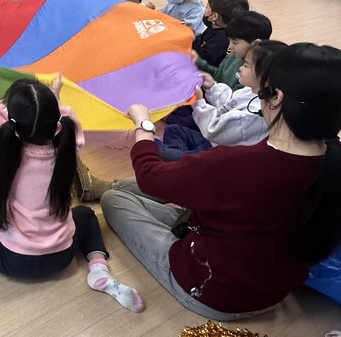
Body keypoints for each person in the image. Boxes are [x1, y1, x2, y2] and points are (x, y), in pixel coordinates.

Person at [101, 42, 341, 320]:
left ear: (275, 97)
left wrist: (143, 127)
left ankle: (106, 189)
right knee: (146, 189)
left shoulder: (237, 164)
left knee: (114, 199)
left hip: (212, 291)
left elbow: (149, 177)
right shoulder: (331, 163)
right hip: (274, 291)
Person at [0, 65, 143, 312]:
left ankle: (96, 269)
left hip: (16, 261)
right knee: (87, 215)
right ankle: (98, 267)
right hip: (63, 256)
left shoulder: (1, 154)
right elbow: (70, 127)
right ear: (55, 122)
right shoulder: (66, 151)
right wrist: (56, 98)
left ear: (12, 124)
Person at [157, 40, 288, 160]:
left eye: (246, 65)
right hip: (214, 141)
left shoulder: (255, 114)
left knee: (162, 149)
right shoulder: (251, 91)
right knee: (173, 130)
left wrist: (198, 102)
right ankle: (179, 159)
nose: (241, 68)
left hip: (222, 152)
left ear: (264, 77)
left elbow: (213, 130)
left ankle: (176, 159)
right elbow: (229, 103)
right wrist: (212, 87)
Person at [196, 11, 272, 90]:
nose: (230, 47)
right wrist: (198, 61)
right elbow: (218, 74)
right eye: (229, 41)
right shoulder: (234, 55)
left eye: (235, 43)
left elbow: (235, 96)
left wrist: (213, 87)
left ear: (256, 44)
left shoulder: (254, 73)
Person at [193, 0, 249, 66]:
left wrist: (194, 42)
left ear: (215, 16)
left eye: (207, 7)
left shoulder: (221, 38)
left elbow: (205, 59)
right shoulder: (214, 27)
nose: (204, 9)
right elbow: (202, 39)